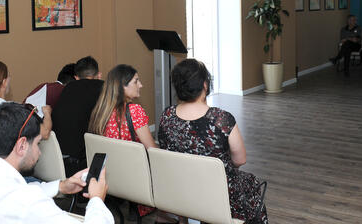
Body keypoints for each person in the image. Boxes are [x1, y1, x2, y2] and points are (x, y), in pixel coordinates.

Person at [0, 102, 113, 223]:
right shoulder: (28, 203)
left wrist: (61, 186)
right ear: (22, 145)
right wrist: (97, 200)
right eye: (38, 143)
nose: (39, 152)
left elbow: (14, 191)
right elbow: (23, 197)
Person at [158, 59, 268, 224]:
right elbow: (240, 160)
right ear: (204, 85)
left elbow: (166, 150)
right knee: (250, 183)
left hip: (180, 187)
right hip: (217, 191)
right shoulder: (221, 119)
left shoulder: (167, 116)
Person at [89, 64, 166, 221]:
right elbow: (153, 150)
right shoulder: (134, 111)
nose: (141, 85)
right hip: (134, 178)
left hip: (111, 176)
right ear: (122, 86)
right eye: (136, 81)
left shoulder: (100, 111)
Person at [52, 56, 104, 176]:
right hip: (81, 163)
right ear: (99, 75)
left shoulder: (68, 88)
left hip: (58, 159)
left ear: (76, 77)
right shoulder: (104, 88)